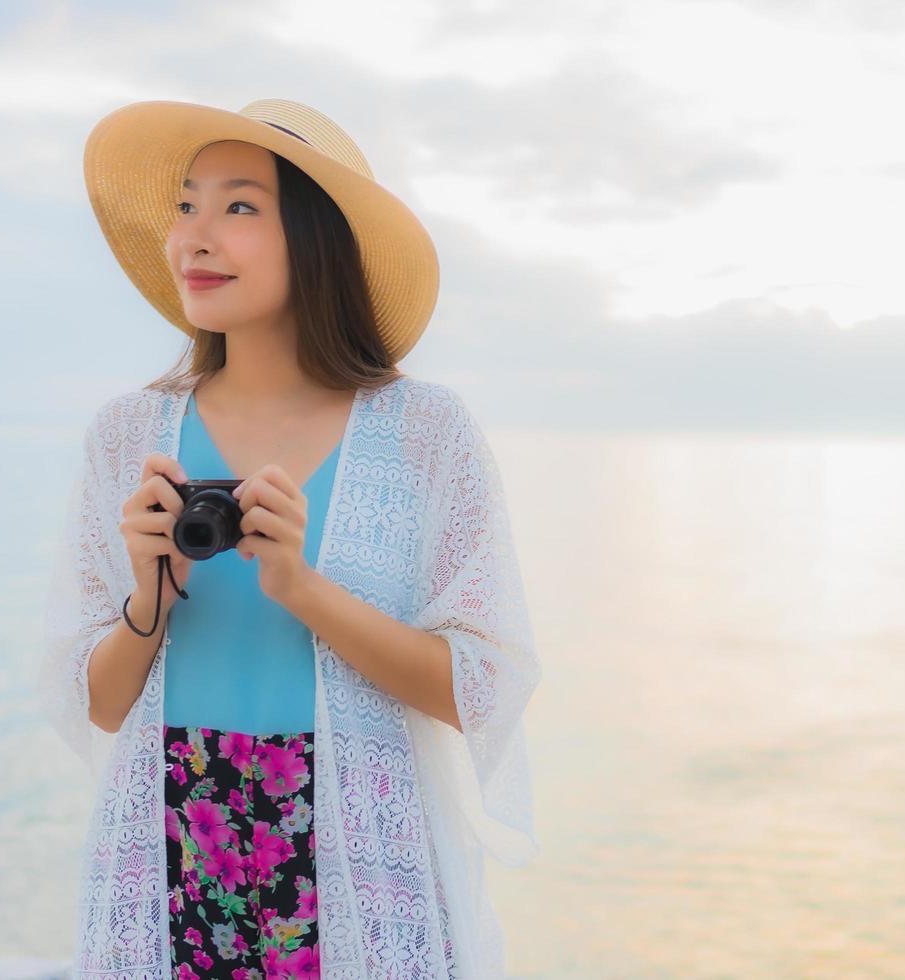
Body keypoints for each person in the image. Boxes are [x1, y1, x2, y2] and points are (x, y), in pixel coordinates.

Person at [38, 99, 540, 980]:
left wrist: (303, 588)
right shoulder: (128, 434)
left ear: (317, 240)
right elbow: (102, 703)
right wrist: (148, 600)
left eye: (238, 207)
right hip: (172, 839)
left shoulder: (424, 430)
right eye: (186, 205)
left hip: (360, 846)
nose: (194, 235)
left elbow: (482, 690)